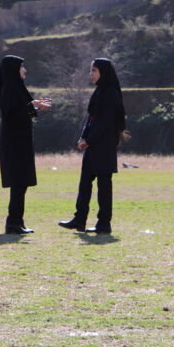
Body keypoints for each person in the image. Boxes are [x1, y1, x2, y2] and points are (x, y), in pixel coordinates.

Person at [59, 58, 128, 235]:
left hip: (104, 145)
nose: (91, 74)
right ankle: (79, 219)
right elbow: (91, 118)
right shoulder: (99, 91)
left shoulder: (111, 93)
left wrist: (89, 139)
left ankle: (104, 224)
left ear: (103, 72)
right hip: (93, 145)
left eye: (94, 70)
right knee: (84, 184)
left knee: (104, 185)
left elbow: (105, 121)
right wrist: (83, 137)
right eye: (91, 70)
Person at [0, 55, 51, 234]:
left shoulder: (15, 88)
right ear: (13, 69)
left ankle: (17, 221)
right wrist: (31, 106)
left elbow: (21, 111)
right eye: (21, 67)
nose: (24, 70)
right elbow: (13, 114)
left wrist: (34, 108)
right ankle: (13, 223)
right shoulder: (10, 89)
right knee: (18, 183)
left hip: (20, 142)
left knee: (21, 183)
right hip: (14, 144)